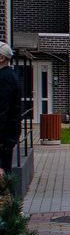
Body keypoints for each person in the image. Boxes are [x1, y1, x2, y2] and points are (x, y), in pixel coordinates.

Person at [0, 43, 21, 176]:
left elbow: (2, 109)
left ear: (1, 58)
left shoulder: (4, 78)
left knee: (3, 172)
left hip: (4, 136)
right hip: (8, 134)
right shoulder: (10, 75)